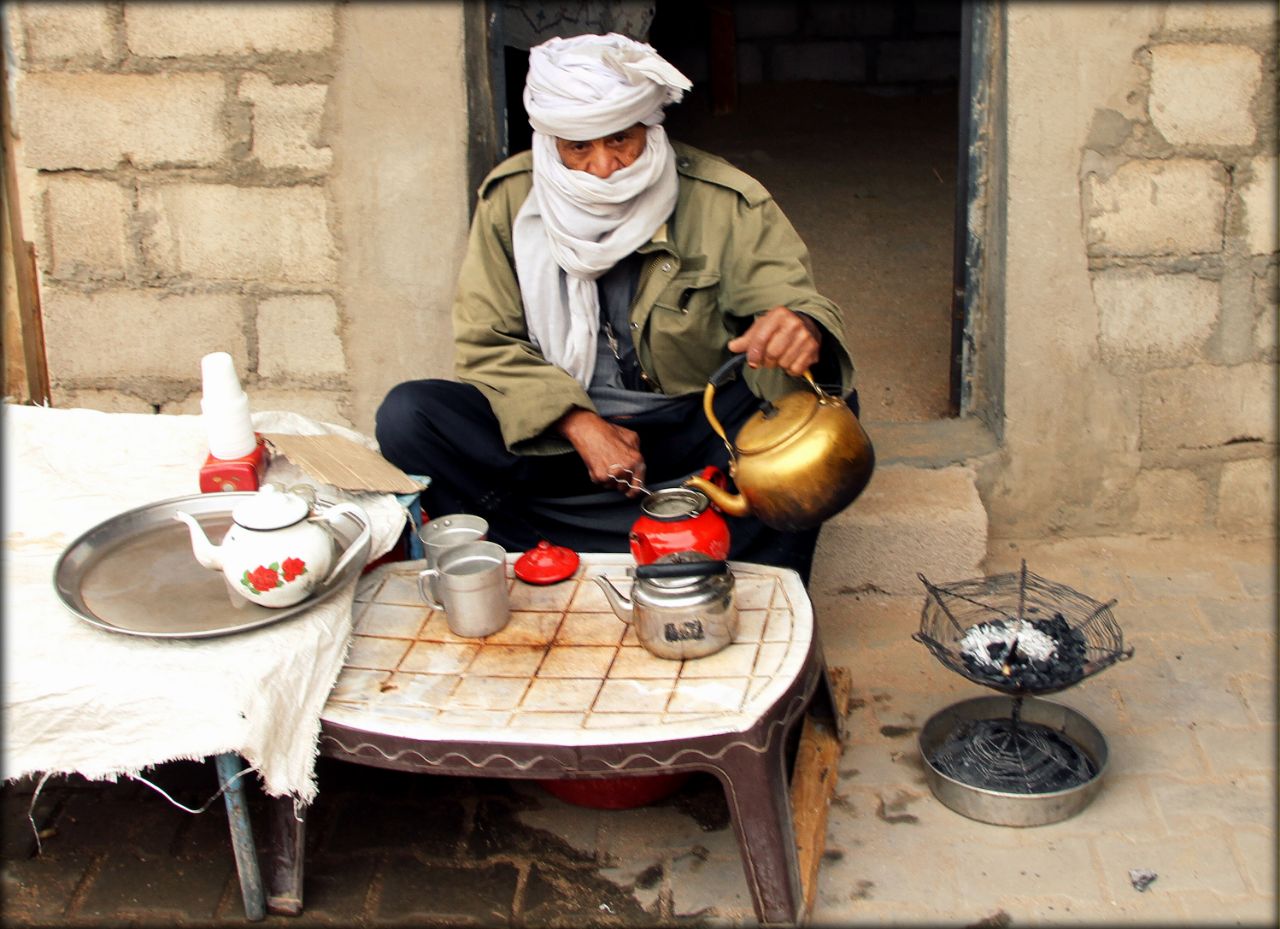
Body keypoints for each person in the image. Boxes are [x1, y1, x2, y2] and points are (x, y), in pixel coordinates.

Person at [376, 32, 860, 584]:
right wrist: (577, 422)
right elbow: (486, 343)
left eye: (621, 140)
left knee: (820, 411)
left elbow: (787, 298)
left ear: (650, 129)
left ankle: (753, 578)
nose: (603, 167)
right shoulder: (511, 200)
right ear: (550, 143)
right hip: (558, 439)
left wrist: (799, 327)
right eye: (578, 147)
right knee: (410, 417)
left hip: (690, 430)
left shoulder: (723, 200)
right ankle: (530, 550)